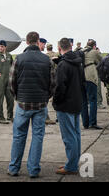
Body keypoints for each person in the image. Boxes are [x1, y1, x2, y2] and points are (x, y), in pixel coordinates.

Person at [8, 32, 55, 178]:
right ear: (37, 41)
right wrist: (46, 97)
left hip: (23, 103)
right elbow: (53, 83)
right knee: (37, 136)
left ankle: (14, 168)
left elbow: (11, 82)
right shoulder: (47, 60)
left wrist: (18, 97)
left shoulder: (19, 59)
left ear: (27, 42)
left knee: (18, 136)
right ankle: (33, 169)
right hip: (40, 104)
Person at [53, 38, 84, 175]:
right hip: (77, 102)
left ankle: (71, 166)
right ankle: (72, 163)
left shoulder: (63, 65)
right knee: (76, 135)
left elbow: (60, 87)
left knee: (69, 137)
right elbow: (82, 82)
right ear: (70, 47)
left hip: (65, 105)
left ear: (59, 48)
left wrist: (56, 101)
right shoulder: (78, 62)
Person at [82, 39, 103, 130]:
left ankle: (85, 123)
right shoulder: (95, 52)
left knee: (83, 102)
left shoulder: (81, 51)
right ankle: (92, 123)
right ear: (94, 46)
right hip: (90, 77)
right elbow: (101, 62)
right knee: (93, 100)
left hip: (81, 78)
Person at [38, 38, 56, 125]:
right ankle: (46, 118)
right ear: (40, 43)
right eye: (43, 44)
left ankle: (46, 117)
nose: (44, 46)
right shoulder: (43, 57)